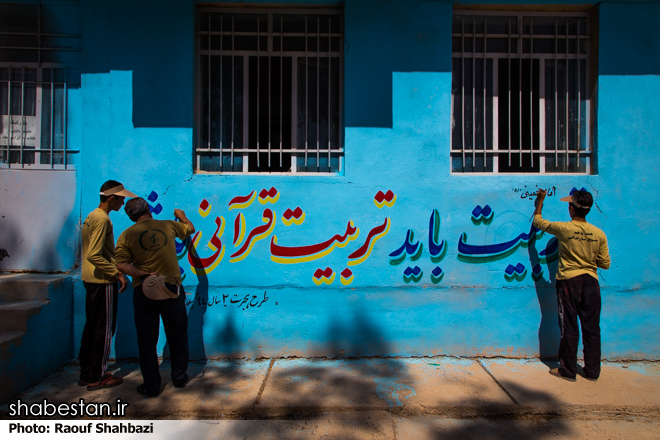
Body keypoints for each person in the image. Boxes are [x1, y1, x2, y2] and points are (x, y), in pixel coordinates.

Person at [115, 198, 195, 397]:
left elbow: (121, 264)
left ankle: (151, 386)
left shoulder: (126, 235)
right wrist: (182, 216)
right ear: (149, 209)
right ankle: (179, 378)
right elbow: (189, 229)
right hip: (170, 288)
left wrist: (141, 274)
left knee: (147, 341)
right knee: (177, 336)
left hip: (145, 291)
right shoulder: (168, 225)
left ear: (131, 216)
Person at [533, 189, 611, 382]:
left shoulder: (565, 229)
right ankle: (592, 371)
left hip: (569, 282)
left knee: (569, 326)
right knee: (592, 328)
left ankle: (567, 370)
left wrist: (540, 202)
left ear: (571, 208)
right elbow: (605, 263)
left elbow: (538, 222)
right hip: (591, 283)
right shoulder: (599, 234)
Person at [80, 180, 136, 390]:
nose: (123, 203)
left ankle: (87, 373)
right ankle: (98, 376)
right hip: (102, 281)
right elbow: (95, 254)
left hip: (91, 278)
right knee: (104, 330)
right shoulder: (103, 220)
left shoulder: (91, 216)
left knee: (92, 327)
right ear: (111, 198)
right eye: (121, 199)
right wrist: (117, 273)